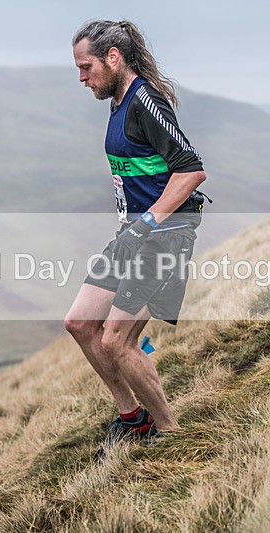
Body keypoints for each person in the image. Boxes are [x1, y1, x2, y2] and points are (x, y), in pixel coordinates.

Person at [64, 19, 207, 455]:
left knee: (117, 340)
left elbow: (191, 170)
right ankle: (133, 418)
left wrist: (147, 224)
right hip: (132, 235)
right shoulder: (118, 99)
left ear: (113, 57)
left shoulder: (146, 101)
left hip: (165, 235)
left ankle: (170, 435)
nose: (82, 77)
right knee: (81, 323)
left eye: (86, 67)